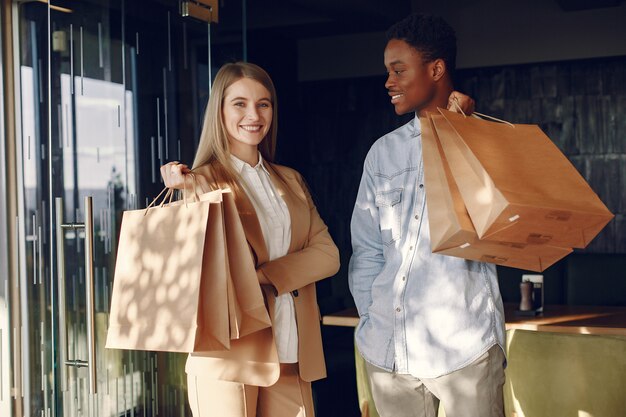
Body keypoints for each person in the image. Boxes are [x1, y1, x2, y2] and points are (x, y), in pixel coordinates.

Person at [160, 62, 340, 417]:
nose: (253, 115)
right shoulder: (200, 182)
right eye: (239, 103)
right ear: (220, 111)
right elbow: (211, 270)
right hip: (228, 356)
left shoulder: (291, 180)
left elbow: (328, 255)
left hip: (292, 349)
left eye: (264, 103)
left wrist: (262, 276)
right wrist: (183, 190)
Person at [348, 13, 506, 417]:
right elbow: (366, 249)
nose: (388, 82)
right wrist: (372, 315)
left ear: (436, 69)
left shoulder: (486, 140)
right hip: (389, 353)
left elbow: (505, 230)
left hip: (464, 349)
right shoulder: (382, 153)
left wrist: (460, 130)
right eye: (387, 71)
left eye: (398, 70)